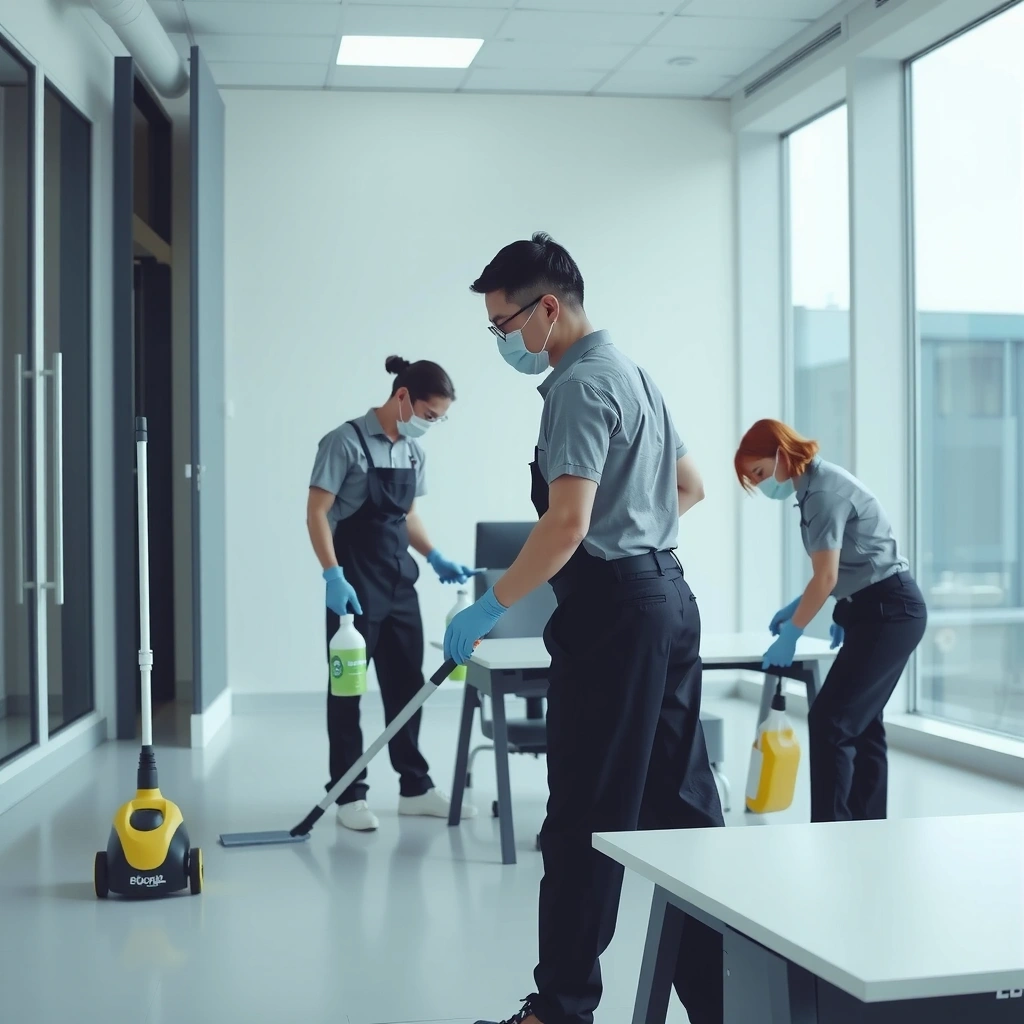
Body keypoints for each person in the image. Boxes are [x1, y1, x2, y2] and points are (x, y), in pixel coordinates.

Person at [444, 233, 725, 1024]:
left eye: (504, 327)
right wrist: (636, 545)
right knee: (685, 816)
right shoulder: (635, 373)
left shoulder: (576, 386)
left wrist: (491, 604)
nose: (504, 342)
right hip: (667, 601)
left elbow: (565, 526)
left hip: (613, 617)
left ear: (549, 309)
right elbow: (690, 486)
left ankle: (560, 1010)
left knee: (582, 822)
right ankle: (728, 1002)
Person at [307, 355, 478, 832]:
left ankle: (414, 787)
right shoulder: (345, 442)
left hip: (400, 584)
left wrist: (435, 556)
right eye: (429, 415)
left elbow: (407, 516)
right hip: (354, 586)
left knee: (409, 688)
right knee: (348, 689)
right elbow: (317, 513)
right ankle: (348, 793)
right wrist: (331, 575)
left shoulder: (413, 453)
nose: (432, 425)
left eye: (440, 419)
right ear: (402, 397)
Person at [734, 418, 927, 823]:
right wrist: (836, 604)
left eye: (760, 473)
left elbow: (826, 576)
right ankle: (865, 826)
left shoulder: (821, 491)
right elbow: (838, 568)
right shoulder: (814, 487)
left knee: (831, 721)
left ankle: (831, 829)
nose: (763, 484)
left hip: (890, 611)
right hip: (873, 608)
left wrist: (793, 632)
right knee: (862, 723)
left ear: (781, 455)